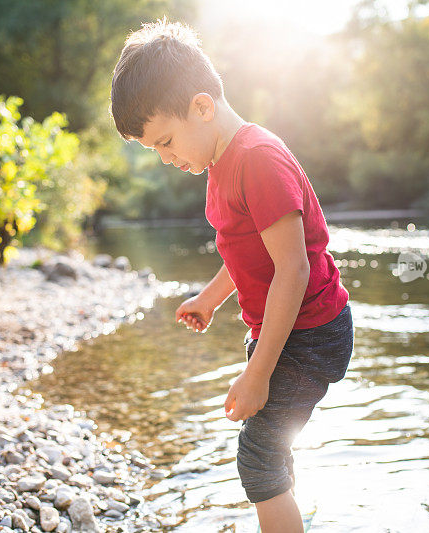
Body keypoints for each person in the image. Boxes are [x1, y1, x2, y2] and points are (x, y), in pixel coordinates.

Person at [110, 19, 354, 533]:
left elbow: (293, 269)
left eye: (167, 141)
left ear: (202, 106)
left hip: (310, 334)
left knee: (258, 458)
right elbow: (250, 256)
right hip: (284, 330)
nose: (165, 158)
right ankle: (290, 518)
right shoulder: (221, 163)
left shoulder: (257, 159)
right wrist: (211, 298)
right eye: (155, 148)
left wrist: (258, 373)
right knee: (270, 445)